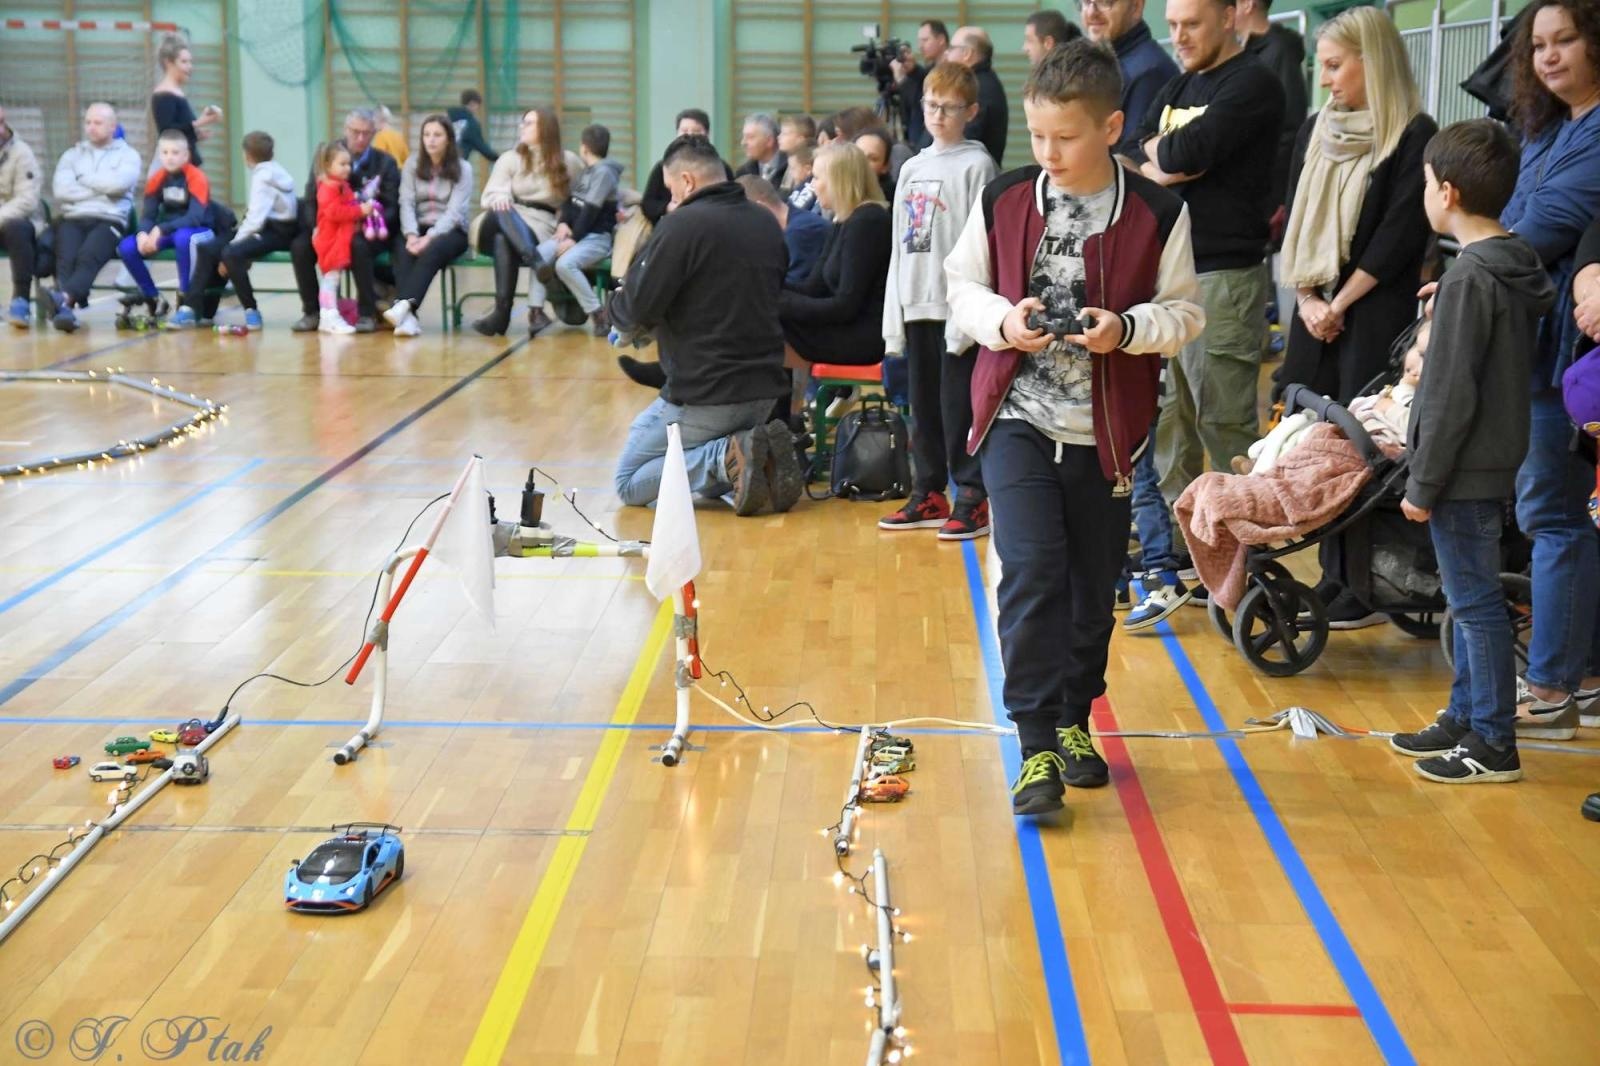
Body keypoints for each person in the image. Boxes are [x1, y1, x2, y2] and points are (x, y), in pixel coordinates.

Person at [946, 41, 1204, 815]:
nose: (1047, 153)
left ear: (1112, 127)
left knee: (1093, 591)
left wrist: (1125, 329)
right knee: (1031, 572)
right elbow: (962, 286)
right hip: (1017, 420)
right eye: (1037, 135)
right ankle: (1034, 746)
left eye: (1065, 137)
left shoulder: (1159, 212)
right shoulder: (1005, 197)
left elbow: (1185, 314)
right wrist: (1004, 321)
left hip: (1108, 436)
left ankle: (1072, 719)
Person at [1389, 120, 1555, 784]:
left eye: (1427, 182)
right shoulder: (1507, 264)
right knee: (1469, 601)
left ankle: (1492, 741)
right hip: (1489, 462)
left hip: (1459, 471)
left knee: (1476, 605)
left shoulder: (1469, 279)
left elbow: (1451, 392)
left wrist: (1422, 483)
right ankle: (1465, 715)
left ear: (1448, 192)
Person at [1137, 0, 1284, 582]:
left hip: (1225, 276)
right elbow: (1140, 147)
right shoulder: (1178, 85)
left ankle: (1241, 556)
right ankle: (1184, 548)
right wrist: (1167, 159)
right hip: (1170, 275)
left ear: (1229, 16)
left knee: (1222, 422)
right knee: (1173, 420)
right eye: (1172, 25)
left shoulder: (1252, 84)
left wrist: (1168, 157)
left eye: (1191, 24)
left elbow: (1180, 152)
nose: (1178, 36)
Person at [1500, 0, 1600, 736]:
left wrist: (1478, 262)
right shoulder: (1545, 128)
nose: (1549, 56)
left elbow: (1538, 227)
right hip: (1531, 343)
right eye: (1539, 45)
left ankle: (1553, 689)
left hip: (1565, 354)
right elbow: (1507, 218)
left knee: (1554, 516)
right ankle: (1584, 678)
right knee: (1556, 514)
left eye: (1565, 40)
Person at [609, 135, 801, 516]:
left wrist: (613, 305)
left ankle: (722, 458)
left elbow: (635, 309)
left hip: (707, 394)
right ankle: (751, 455)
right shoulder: (765, 222)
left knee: (628, 481)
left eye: (671, 190)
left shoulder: (681, 226)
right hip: (765, 391)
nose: (670, 200)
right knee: (652, 434)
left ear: (687, 181)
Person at [878, 61, 998, 541]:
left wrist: (968, 314)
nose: (938, 115)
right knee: (922, 407)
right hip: (916, 305)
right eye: (931, 105)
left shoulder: (977, 165)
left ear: (971, 111)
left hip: (955, 310)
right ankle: (928, 491)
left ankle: (972, 495)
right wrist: (894, 314)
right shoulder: (911, 167)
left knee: (958, 408)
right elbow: (899, 247)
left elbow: (982, 246)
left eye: (949, 107)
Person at [469, 106, 582, 336]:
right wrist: (501, 199)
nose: (522, 127)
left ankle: (501, 315)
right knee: (501, 209)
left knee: (503, 239)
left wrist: (566, 222)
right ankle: (535, 261)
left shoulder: (569, 161)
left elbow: (580, 198)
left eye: (529, 123)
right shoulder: (510, 158)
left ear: (546, 128)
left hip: (540, 225)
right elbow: (491, 195)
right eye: (523, 122)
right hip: (502, 217)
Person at [778, 142, 891, 370]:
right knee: (757, 316)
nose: (812, 186)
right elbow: (813, 288)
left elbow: (845, 306)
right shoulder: (844, 220)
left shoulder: (868, 222)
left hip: (861, 336)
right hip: (843, 327)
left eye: (817, 178)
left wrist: (777, 302)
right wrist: (766, 286)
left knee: (761, 323)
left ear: (839, 180)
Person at [289, 108, 400, 334]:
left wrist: (367, 221)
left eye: (366, 133)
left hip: (368, 229)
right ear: (345, 129)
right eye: (355, 131)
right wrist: (315, 227)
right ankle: (312, 312)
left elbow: (391, 207)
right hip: (329, 225)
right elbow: (310, 198)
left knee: (358, 245)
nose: (360, 138)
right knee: (300, 246)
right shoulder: (326, 156)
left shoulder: (385, 163)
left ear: (374, 133)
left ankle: (367, 313)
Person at [172, 131, 296, 331]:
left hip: (277, 232)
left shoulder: (263, 177)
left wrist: (235, 244)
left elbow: (255, 221)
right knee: (207, 249)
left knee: (230, 254)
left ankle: (251, 310)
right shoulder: (272, 170)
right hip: (264, 228)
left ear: (247, 155)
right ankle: (195, 309)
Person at [43, 103, 142, 333]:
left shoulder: (128, 155)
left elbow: (118, 185)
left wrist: (83, 179)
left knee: (88, 255)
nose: (91, 127)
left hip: (110, 218)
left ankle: (63, 301)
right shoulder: (72, 155)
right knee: (66, 258)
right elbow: (62, 191)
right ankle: (66, 309)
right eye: (87, 122)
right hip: (74, 216)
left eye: (97, 122)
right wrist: (101, 189)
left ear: (112, 126)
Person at [523, 123, 622, 339]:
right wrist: (563, 223)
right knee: (538, 256)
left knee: (564, 264)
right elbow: (570, 202)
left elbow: (591, 211)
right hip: (576, 235)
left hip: (596, 238)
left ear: (584, 147)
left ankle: (598, 314)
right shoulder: (587, 171)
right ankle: (536, 313)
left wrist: (573, 239)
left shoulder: (604, 173)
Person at [382, 114, 473, 338]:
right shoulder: (412, 164)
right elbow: (406, 202)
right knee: (402, 249)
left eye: (437, 135)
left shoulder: (464, 168)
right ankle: (409, 318)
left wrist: (429, 237)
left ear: (449, 139)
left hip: (452, 230)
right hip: (417, 226)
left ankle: (403, 304)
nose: (431, 140)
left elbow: (454, 212)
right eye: (426, 135)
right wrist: (411, 234)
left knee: (432, 251)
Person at [114, 130, 211, 324]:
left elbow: (195, 217)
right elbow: (148, 215)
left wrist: (160, 230)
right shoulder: (156, 179)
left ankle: (186, 301)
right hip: (169, 231)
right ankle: (153, 298)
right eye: (165, 152)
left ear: (186, 155)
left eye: (175, 152)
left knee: (184, 238)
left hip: (200, 230)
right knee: (127, 247)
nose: (170, 157)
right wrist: (143, 234)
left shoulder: (196, 177)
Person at [1236, 0, 1308, 225]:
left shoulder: (1280, 51)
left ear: (1248, 4)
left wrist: (1279, 196)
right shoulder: (1245, 52)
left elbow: (1290, 126)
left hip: (1267, 192)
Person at [1080, 0, 1179, 162]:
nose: (1091, 12)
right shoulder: (1110, 64)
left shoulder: (1148, 72)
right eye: (1086, 2)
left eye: (1105, 2)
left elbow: (1132, 162)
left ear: (1136, 7)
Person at [311, 141, 376, 335]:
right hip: (330, 241)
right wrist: (359, 211)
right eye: (342, 164)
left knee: (333, 278)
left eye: (349, 164)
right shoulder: (327, 188)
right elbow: (334, 212)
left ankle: (329, 315)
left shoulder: (341, 186)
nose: (347, 168)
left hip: (339, 240)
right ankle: (328, 315)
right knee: (330, 279)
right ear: (327, 165)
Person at [736, 175, 829, 286]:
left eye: (743, 216)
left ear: (759, 208)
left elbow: (792, 286)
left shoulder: (800, 232)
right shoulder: (792, 226)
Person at [0, 105, 43, 328]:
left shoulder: (22, 153)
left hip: (20, 222)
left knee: (15, 228)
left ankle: (21, 301)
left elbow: (27, 200)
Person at [150, 33, 220, 168]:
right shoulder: (163, 95)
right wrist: (199, 123)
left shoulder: (177, 93)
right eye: (184, 62)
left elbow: (181, 129)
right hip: (172, 167)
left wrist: (195, 135)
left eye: (190, 62)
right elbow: (168, 132)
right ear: (168, 63)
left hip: (185, 164)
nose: (190, 66)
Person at [642, 109, 723, 224]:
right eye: (684, 131)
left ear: (707, 133)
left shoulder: (719, 166)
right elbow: (648, 204)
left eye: (696, 131)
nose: (689, 135)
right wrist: (668, 208)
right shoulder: (664, 166)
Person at [947, 27, 1010, 165]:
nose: (947, 53)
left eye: (951, 48)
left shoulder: (978, 90)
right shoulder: (984, 81)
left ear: (967, 53)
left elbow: (964, 140)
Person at [896, 19, 951, 149]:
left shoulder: (951, 71)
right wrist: (912, 70)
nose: (920, 46)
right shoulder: (931, 68)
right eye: (919, 41)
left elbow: (920, 100)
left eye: (925, 40)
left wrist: (901, 80)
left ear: (941, 39)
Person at [737, 113, 787, 187]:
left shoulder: (791, 169)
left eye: (750, 137)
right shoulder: (743, 173)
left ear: (769, 141)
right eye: (744, 137)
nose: (743, 143)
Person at [448, 89, 499, 162]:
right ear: (472, 103)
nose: (477, 109)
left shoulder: (448, 118)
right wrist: (500, 159)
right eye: (477, 106)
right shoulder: (471, 124)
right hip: (457, 163)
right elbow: (482, 147)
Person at [854, 127, 896, 201]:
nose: (862, 162)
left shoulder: (893, 198)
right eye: (858, 155)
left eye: (872, 159)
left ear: (885, 166)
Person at [777, 114, 816, 192]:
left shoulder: (806, 163)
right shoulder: (786, 162)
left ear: (800, 139)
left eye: (784, 134)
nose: (779, 137)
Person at [786, 144, 819, 213]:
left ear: (808, 169)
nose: (790, 172)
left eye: (793, 168)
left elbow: (795, 211)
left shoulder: (809, 187)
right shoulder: (800, 186)